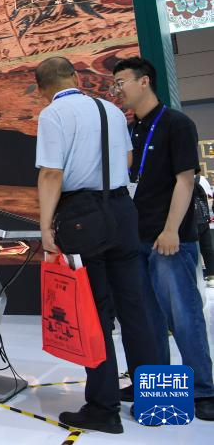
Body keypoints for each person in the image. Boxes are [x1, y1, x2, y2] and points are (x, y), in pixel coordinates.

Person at [35, 57, 159, 433]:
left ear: (41, 90)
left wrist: (45, 227)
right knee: (134, 306)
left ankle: (103, 408)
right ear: (75, 77)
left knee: (95, 312)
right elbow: (127, 158)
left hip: (84, 215)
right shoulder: (110, 110)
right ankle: (153, 397)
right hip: (123, 209)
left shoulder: (52, 115)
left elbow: (52, 173)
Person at [111, 56, 214, 421]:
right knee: (146, 318)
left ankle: (203, 388)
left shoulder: (176, 124)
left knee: (183, 315)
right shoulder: (129, 130)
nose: (117, 90)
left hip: (169, 239)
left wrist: (171, 230)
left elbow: (185, 181)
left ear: (144, 82)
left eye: (121, 82)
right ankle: (152, 383)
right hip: (134, 239)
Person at [196, 174, 214, 286]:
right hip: (203, 219)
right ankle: (212, 275)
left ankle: (196, 277)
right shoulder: (201, 179)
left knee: (192, 250)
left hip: (189, 222)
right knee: (207, 249)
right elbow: (209, 198)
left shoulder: (177, 179)